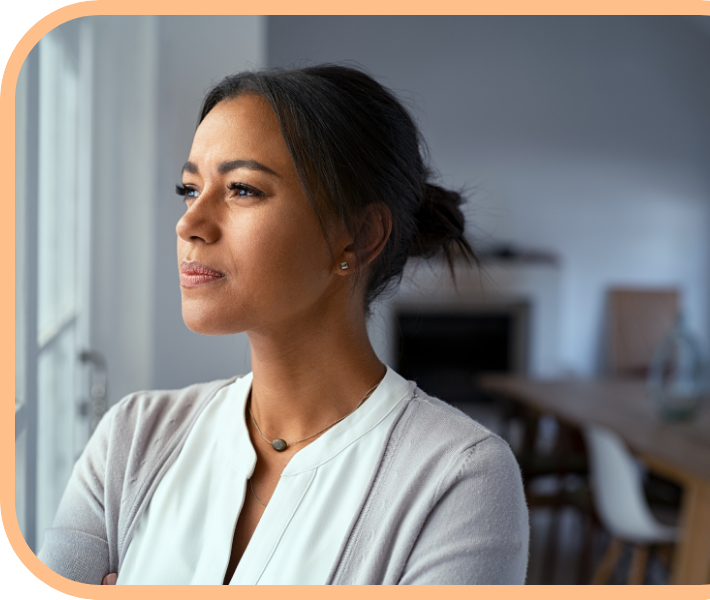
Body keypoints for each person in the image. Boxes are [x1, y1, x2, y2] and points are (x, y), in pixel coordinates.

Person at [38, 65, 529, 585]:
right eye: (189, 188)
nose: (189, 223)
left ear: (358, 236)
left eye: (243, 190)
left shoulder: (460, 480)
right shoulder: (131, 439)